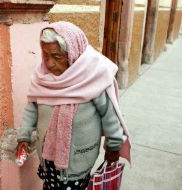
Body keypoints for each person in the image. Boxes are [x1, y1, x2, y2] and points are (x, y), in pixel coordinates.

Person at [16, 21, 131, 190]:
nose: (49, 63)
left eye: (57, 56)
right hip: (47, 159)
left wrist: (113, 145)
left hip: (77, 161)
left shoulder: (92, 77)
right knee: (50, 186)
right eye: (45, 55)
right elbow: (32, 108)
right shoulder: (43, 78)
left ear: (73, 53)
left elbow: (110, 116)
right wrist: (24, 135)